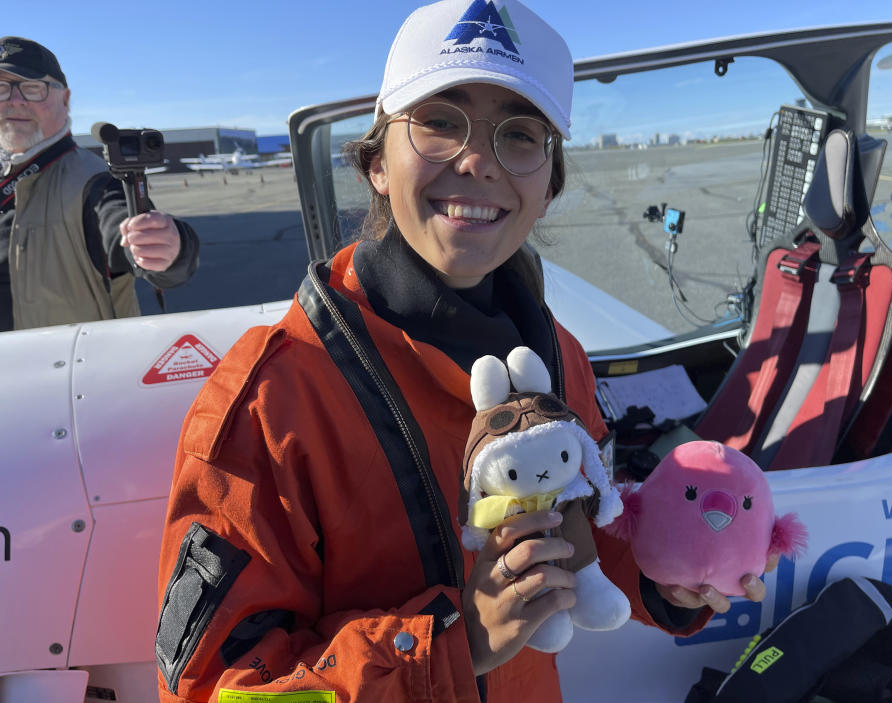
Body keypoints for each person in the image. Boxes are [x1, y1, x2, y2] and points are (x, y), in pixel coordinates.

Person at [155, 1, 770, 701]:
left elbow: (583, 529)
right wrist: (453, 643)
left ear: (548, 186)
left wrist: (668, 579)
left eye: (520, 134)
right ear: (376, 165)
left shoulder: (557, 353)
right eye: (440, 122)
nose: (478, 160)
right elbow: (218, 687)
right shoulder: (267, 403)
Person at [0, 36, 199, 332]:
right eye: (1, 89)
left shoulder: (98, 183)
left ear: (65, 99)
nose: (15, 100)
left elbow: (124, 226)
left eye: (33, 88)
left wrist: (168, 247)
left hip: (67, 371)